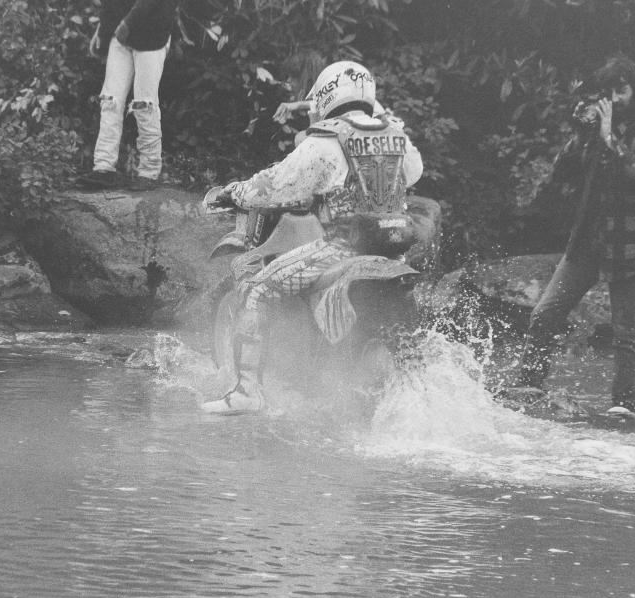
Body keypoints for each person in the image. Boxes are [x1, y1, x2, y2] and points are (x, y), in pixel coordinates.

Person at [201, 61, 424, 414]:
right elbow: (413, 174)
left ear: (327, 95)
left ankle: (247, 392)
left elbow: (274, 186)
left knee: (257, 290)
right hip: (394, 257)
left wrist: (232, 192)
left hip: (341, 250)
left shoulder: (328, 139)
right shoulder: (396, 135)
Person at [505, 55, 635, 419]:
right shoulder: (594, 132)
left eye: (621, 91)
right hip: (587, 240)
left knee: (626, 331)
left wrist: (610, 136)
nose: (614, 99)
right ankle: (528, 388)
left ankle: (625, 405)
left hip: (630, 245)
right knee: (545, 314)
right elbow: (561, 174)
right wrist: (582, 132)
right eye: (608, 92)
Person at [76, 0, 176, 192]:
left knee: (144, 104)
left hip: (152, 34)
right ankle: (104, 168)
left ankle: (149, 171)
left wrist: (126, 23)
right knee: (109, 100)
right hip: (121, 35)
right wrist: (103, 31)